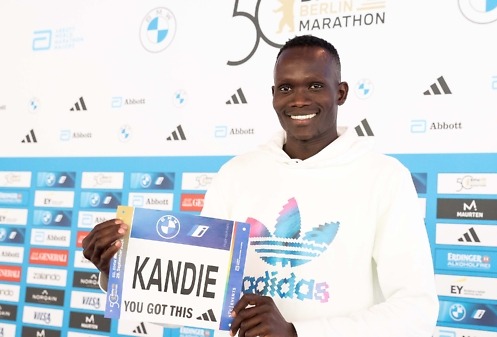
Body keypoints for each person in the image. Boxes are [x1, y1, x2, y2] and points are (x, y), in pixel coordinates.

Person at [82, 34, 439, 337]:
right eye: (287, 88)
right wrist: (119, 268)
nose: (299, 99)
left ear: (341, 93)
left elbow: (416, 310)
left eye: (315, 85)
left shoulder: (383, 177)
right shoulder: (237, 174)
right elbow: (196, 287)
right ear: (272, 95)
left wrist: (297, 333)